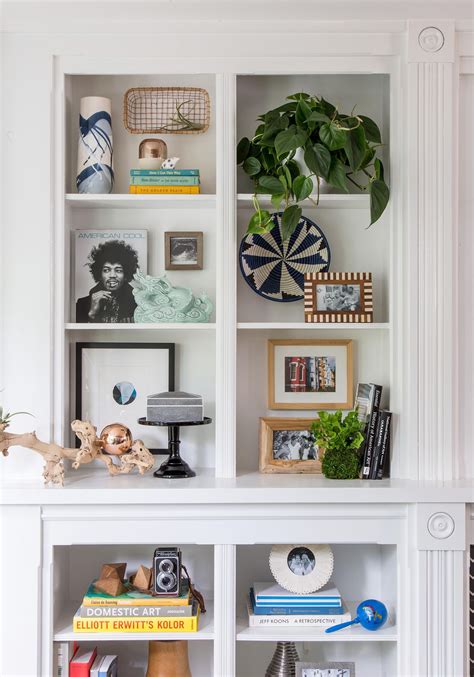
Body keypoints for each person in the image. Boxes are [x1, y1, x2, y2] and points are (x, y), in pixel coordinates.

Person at [76, 240, 139, 323]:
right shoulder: (81, 304)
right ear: (99, 274)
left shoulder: (139, 303)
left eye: (118, 270)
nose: (112, 275)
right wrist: (92, 313)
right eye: (106, 270)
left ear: (126, 275)